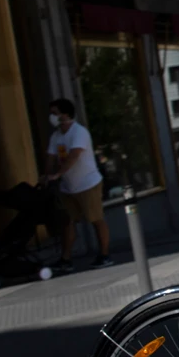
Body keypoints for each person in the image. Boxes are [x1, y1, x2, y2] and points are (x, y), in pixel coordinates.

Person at [45, 98, 111, 269]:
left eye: (55, 113)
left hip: (88, 184)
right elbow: (51, 158)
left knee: (95, 219)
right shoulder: (56, 136)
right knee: (68, 221)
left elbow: (73, 156)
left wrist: (57, 174)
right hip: (68, 187)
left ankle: (104, 255)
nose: (52, 117)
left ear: (65, 115)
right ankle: (65, 259)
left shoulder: (79, 132)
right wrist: (47, 175)